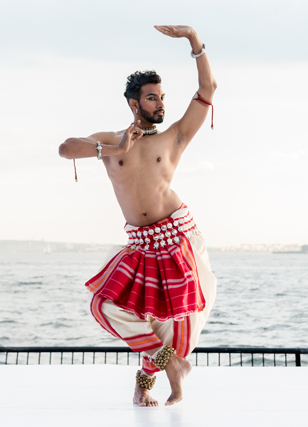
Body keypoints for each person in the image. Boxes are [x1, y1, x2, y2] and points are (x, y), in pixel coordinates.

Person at [58, 25, 217, 407]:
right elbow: (65, 148)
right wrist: (108, 149)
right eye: (152, 98)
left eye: (162, 97)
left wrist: (194, 40)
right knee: (105, 306)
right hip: (142, 244)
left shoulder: (173, 136)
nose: (160, 104)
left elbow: (208, 91)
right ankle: (171, 366)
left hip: (179, 236)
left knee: (178, 327)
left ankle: (146, 382)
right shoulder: (112, 142)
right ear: (134, 103)